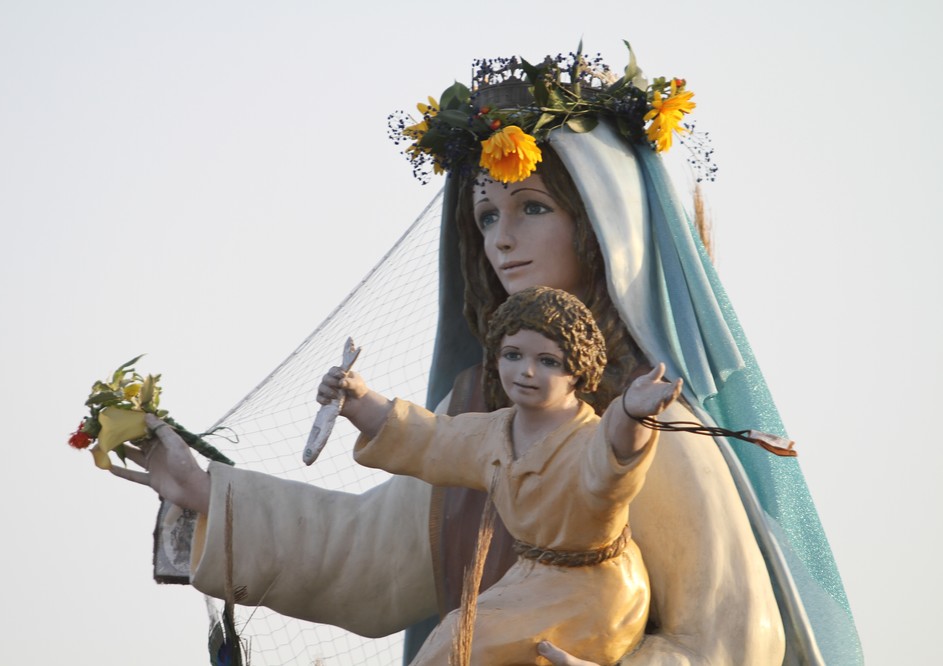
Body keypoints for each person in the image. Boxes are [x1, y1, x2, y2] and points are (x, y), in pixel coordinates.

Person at [113, 47, 862, 665]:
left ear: (602, 229)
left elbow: (732, 638)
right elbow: (365, 556)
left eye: (532, 207)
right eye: (485, 214)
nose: (500, 239)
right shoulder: (481, 412)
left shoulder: (649, 418)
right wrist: (204, 490)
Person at [318, 286, 682, 664]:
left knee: (462, 646)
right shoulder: (493, 432)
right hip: (532, 581)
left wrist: (633, 415)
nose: (526, 371)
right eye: (513, 355)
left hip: (597, 595)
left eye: (548, 361)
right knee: (457, 636)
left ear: (577, 371)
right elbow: (429, 438)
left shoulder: (587, 440)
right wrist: (357, 400)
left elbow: (614, 462)